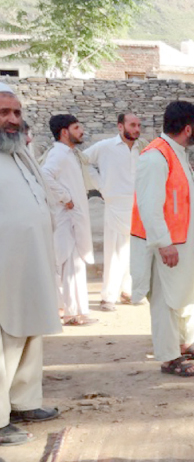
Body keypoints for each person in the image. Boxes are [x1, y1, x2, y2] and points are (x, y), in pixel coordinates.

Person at [0, 83, 61, 462]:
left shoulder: (20, 153)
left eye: (16, 112)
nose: (11, 120)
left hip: (32, 261)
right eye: (4, 112)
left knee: (30, 333)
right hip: (4, 266)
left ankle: (24, 401)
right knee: (3, 342)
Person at [130, 101, 194, 377]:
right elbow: (149, 205)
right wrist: (164, 243)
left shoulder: (176, 152)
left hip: (183, 243)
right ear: (188, 128)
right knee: (165, 301)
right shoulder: (155, 156)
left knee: (184, 295)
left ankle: (185, 343)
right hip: (166, 245)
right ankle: (169, 358)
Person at [84, 113, 144, 311]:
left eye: (138, 125)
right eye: (132, 125)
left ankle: (127, 291)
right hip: (115, 204)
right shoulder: (105, 146)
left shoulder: (141, 147)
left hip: (137, 205)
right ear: (120, 127)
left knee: (133, 250)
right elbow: (83, 161)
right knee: (114, 251)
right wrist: (101, 185)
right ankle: (108, 296)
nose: (137, 129)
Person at [41, 114, 97, 327]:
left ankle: (75, 311)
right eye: (76, 127)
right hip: (67, 219)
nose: (81, 131)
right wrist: (66, 198)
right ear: (64, 132)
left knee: (74, 264)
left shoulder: (68, 154)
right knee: (68, 264)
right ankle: (71, 313)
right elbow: (45, 174)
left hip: (73, 218)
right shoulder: (59, 154)